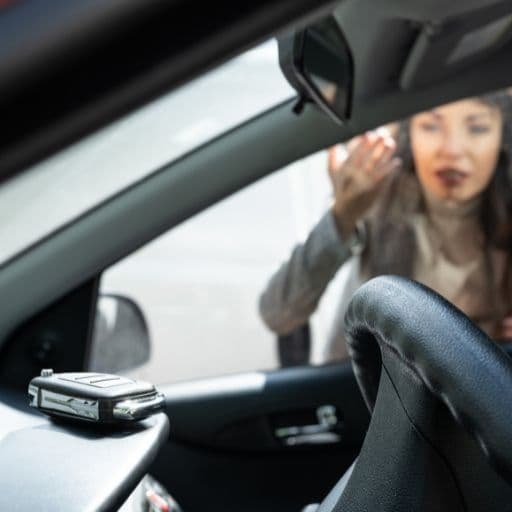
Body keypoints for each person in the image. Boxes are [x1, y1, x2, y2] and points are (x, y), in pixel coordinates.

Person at [259, 90, 512, 362]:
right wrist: (342, 216)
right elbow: (279, 312)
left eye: (477, 128)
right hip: (372, 394)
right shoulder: (375, 191)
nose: (452, 149)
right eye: (431, 126)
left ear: (502, 134)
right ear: (409, 131)